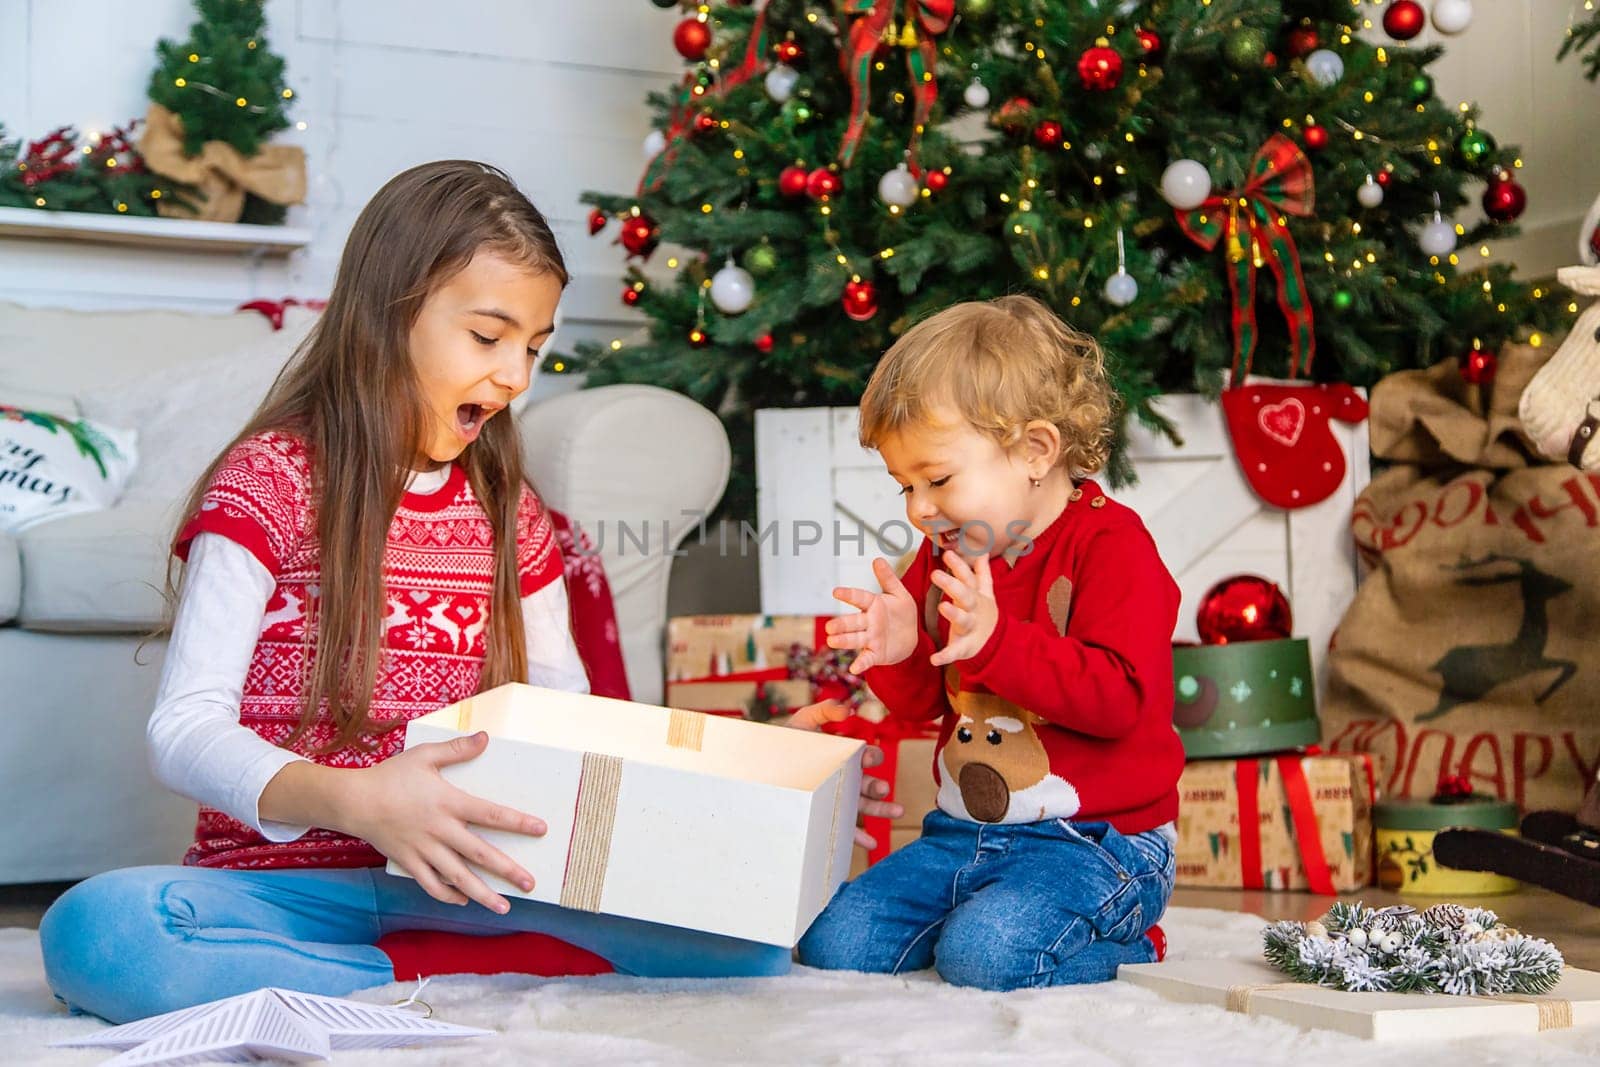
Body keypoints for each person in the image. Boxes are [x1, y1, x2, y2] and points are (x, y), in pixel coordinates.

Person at [39, 160, 894, 1025]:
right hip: (283, 888)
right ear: (389, 315)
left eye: (534, 344)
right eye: (489, 338)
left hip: (465, 885)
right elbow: (183, 729)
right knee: (103, 931)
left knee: (745, 945)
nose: (519, 375)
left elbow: (570, 718)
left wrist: (730, 775)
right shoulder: (271, 481)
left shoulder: (513, 514)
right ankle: (450, 980)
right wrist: (356, 800)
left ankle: (408, 976)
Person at [795, 295, 1183, 990]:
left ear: (1035, 451)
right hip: (963, 832)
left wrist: (999, 640)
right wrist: (901, 649)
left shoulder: (1113, 548)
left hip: (1099, 842)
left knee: (985, 957)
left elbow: (1119, 701)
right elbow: (920, 706)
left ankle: (1128, 941)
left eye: (938, 479)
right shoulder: (946, 551)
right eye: (905, 485)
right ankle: (988, 913)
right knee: (834, 942)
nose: (918, 508)